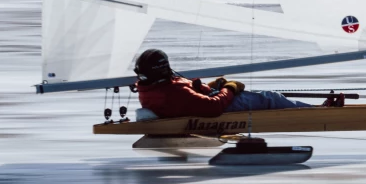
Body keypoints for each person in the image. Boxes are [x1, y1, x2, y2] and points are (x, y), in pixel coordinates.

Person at [133, 48, 313, 119]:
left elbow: (190, 97)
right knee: (270, 98)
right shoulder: (171, 91)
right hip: (222, 106)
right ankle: (315, 113)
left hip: (203, 101)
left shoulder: (149, 87)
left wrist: (210, 86)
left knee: (263, 96)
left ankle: (311, 109)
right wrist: (229, 88)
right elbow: (213, 107)